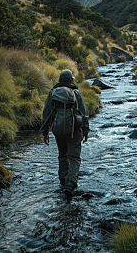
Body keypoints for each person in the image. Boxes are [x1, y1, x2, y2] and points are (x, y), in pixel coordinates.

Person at [41, 69, 89, 200]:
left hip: (57, 130)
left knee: (62, 154)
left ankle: (62, 180)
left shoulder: (53, 93)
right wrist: (85, 131)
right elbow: (84, 113)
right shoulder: (76, 93)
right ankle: (71, 184)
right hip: (74, 130)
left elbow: (46, 113)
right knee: (74, 157)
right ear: (70, 80)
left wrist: (45, 132)